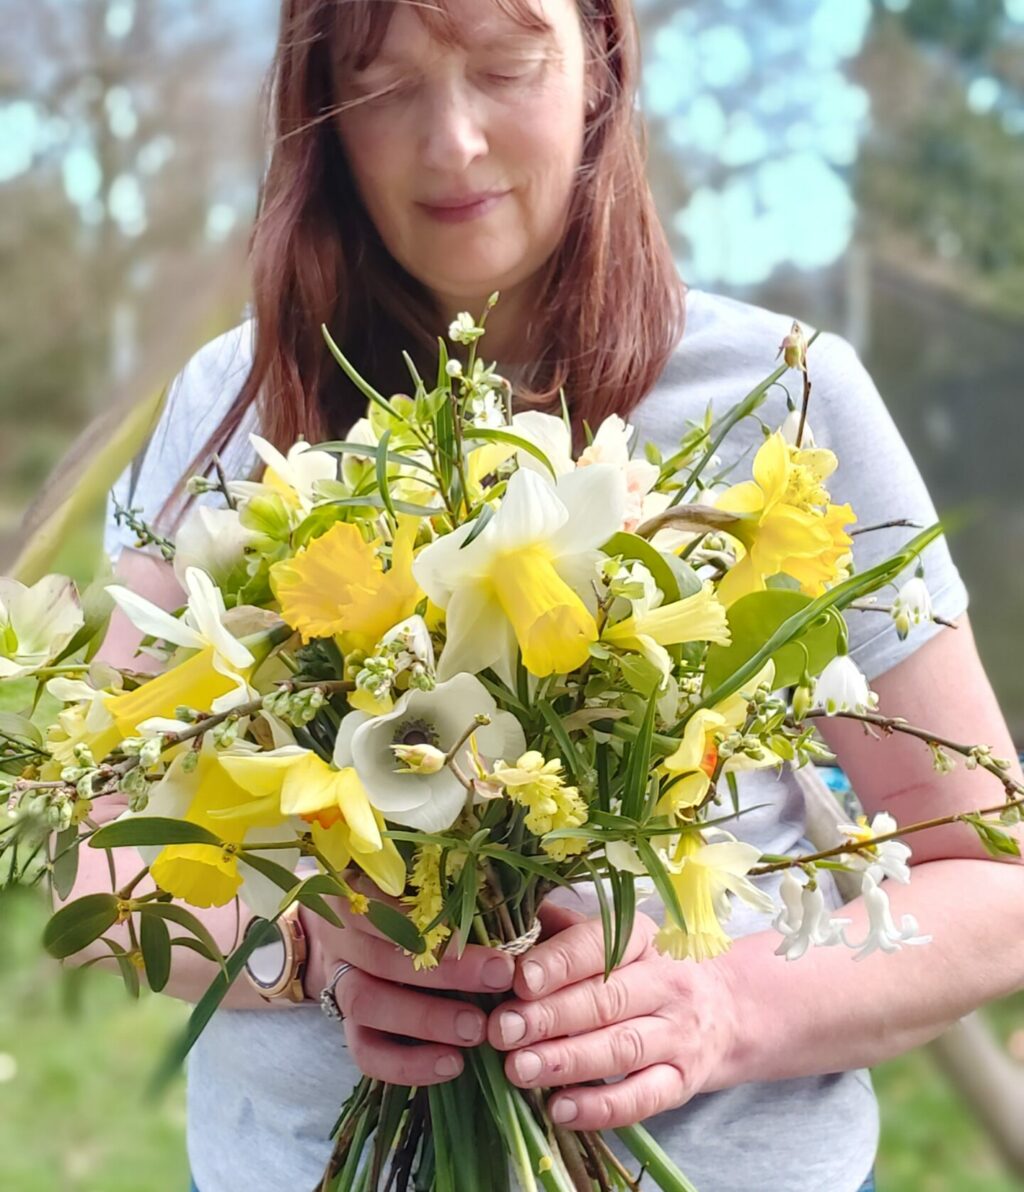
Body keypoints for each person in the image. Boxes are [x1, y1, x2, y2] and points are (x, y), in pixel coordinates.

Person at [63, 1, 1024, 1190]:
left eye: (507, 69)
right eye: (380, 87)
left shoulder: (784, 393)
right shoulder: (237, 403)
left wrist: (723, 1009)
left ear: (599, 72)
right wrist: (307, 950)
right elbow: (100, 859)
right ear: (317, 115)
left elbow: (994, 871)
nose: (450, 141)